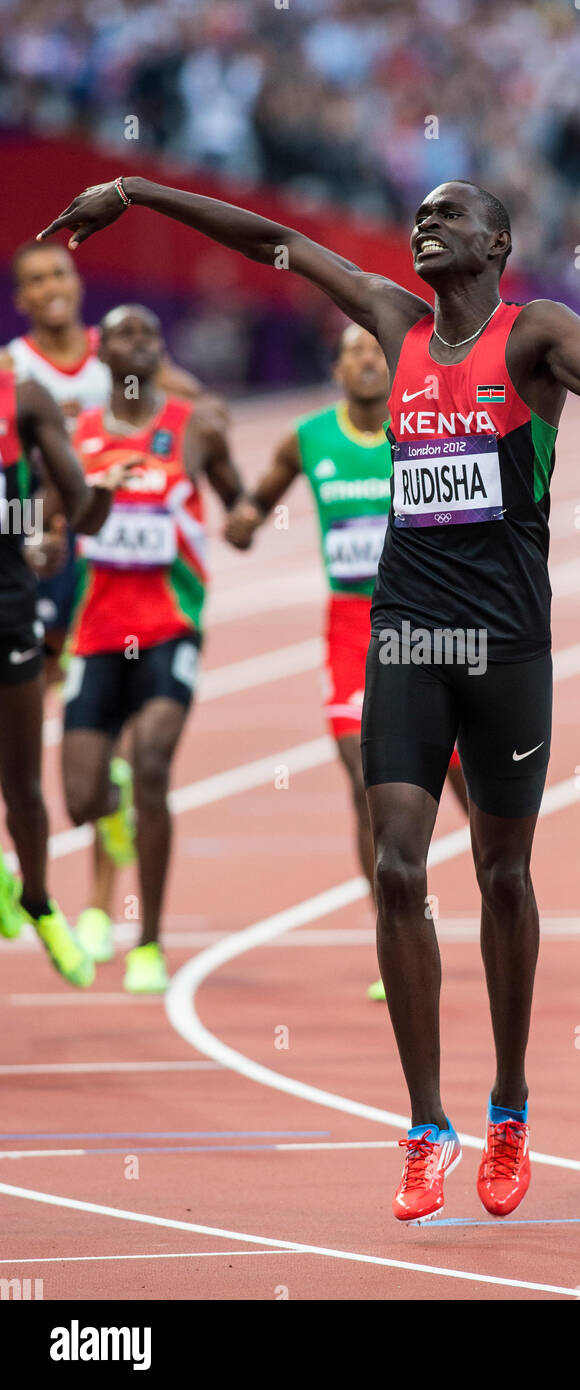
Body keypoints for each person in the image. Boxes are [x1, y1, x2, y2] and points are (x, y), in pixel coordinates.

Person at [39, 176, 580, 1219]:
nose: (425, 225)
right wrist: (132, 192)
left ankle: (509, 1102)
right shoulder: (392, 320)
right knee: (393, 863)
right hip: (407, 633)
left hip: (508, 646)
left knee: (502, 872)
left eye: (449, 215)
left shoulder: (534, 336)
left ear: (496, 245)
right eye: (419, 214)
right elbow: (275, 240)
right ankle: (427, 1123)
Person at [223, 323, 467, 1001]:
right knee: (371, 785)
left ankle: (501, 901)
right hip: (352, 630)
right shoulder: (308, 439)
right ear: (334, 370)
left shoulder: (423, 424)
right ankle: (397, 929)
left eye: (375, 351)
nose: (366, 360)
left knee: (468, 786)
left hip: (431, 622)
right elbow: (251, 509)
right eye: (351, 352)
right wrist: (240, 520)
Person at [1, 240, 206, 961]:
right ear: (21, 298)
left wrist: (169, 451)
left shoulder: (112, 352)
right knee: (40, 709)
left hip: (112, 561)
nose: (52, 286)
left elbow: (195, 406)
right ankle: (71, 830)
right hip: (42, 546)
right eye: (35, 280)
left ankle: (96, 903)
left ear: (77, 282)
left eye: (60, 272)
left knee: (104, 720)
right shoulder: (16, 369)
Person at [59, 304, 244, 993]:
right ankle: (111, 821)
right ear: (101, 353)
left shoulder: (192, 427)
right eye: (123, 336)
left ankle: (150, 943)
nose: (138, 344)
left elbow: (238, 500)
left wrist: (249, 517)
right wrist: (60, 533)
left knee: (155, 764)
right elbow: (59, 528)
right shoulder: (76, 435)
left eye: (149, 335)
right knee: (80, 797)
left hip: (169, 626)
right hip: (97, 632)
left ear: (160, 353)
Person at [0, 365, 136, 984]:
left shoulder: (23, 399)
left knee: (23, 786)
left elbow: (74, 512)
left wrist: (95, 494)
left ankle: (37, 898)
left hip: (9, 612)